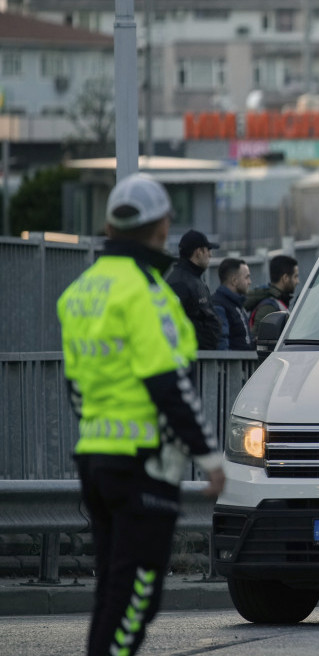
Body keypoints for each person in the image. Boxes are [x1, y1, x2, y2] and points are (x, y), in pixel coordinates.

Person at [56, 173, 224, 656]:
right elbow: (169, 385)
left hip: (96, 458)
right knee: (134, 600)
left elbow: (77, 386)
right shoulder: (148, 296)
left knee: (112, 589)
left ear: (110, 224)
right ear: (161, 227)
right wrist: (210, 456)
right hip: (144, 464)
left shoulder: (82, 291)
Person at [164, 229, 221, 351]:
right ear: (199, 252)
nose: (210, 255)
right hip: (192, 359)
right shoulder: (180, 283)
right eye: (208, 250)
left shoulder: (193, 280)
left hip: (202, 359)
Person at [246, 254, 298, 340]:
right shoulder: (269, 308)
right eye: (295, 276)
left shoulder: (278, 302)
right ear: (285, 278)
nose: (298, 281)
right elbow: (259, 341)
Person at [211, 257, 253, 350]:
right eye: (246, 277)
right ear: (234, 281)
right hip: (232, 364)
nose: (250, 282)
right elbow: (222, 343)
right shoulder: (219, 305)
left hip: (242, 364)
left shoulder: (237, 304)